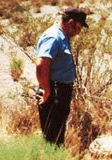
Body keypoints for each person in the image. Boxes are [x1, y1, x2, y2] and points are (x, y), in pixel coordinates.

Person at [36, 7, 89, 146]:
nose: (79, 32)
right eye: (78, 27)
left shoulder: (62, 36)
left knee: (57, 132)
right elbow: (42, 64)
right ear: (71, 22)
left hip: (60, 91)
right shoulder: (53, 37)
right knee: (51, 135)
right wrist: (46, 90)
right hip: (54, 91)